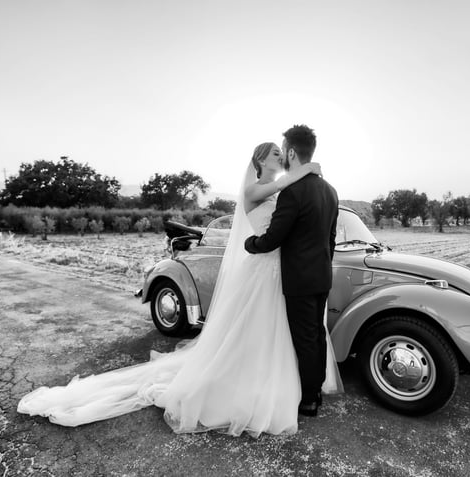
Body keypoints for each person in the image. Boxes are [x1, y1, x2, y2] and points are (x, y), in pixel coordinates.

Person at [17, 141, 343, 437]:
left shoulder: (284, 190)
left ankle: (284, 383)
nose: (280, 156)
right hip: (263, 265)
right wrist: (308, 169)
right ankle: (257, 385)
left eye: (282, 152)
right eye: (274, 153)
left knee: (280, 331)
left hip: (280, 269)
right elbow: (280, 201)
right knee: (259, 329)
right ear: (260, 160)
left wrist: (304, 174)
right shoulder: (258, 189)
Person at [245, 125, 339, 417]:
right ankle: (316, 391)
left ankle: (308, 400)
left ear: (291, 153)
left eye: (283, 150)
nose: (282, 155)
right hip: (322, 275)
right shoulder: (330, 191)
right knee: (317, 334)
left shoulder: (291, 192)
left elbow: (274, 237)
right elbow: (331, 240)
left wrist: (251, 243)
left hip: (298, 277)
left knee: (305, 338)